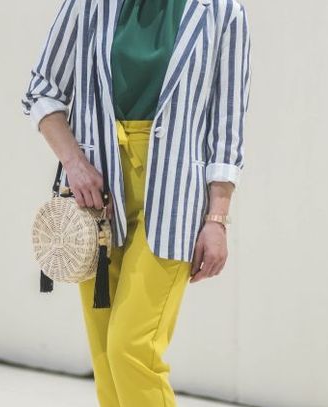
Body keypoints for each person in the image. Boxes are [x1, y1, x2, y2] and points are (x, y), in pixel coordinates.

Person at [21, 0, 251, 405]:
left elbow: (227, 126)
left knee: (131, 348)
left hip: (174, 196)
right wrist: (73, 162)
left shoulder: (222, 11)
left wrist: (217, 217)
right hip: (97, 199)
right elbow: (42, 90)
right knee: (105, 355)